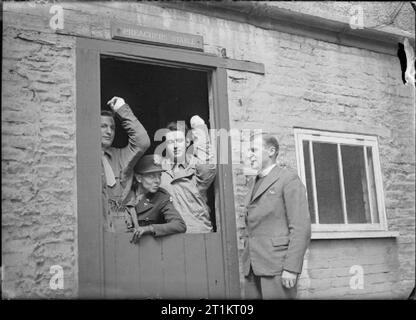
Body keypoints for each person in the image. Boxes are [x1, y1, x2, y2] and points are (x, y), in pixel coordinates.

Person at [242, 133, 311, 299]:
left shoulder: (288, 179)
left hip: (277, 267)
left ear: (271, 151)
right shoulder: (253, 182)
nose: (249, 154)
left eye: (254, 150)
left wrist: (291, 268)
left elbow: (301, 227)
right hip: (252, 266)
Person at [158, 116, 216, 233]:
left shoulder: (197, 166)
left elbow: (208, 164)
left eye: (179, 141)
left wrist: (198, 128)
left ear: (187, 142)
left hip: (197, 232)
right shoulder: (159, 170)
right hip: (170, 235)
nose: (175, 146)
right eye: (170, 142)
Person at [101, 96, 150, 232]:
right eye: (103, 126)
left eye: (112, 127)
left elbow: (142, 142)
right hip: (97, 228)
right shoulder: (85, 157)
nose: (109, 132)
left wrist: (122, 110)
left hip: (122, 228)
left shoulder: (121, 156)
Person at [124, 154, 186, 243]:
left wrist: (149, 228)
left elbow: (180, 225)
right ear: (139, 178)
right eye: (152, 176)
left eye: (159, 175)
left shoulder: (161, 197)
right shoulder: (125, 194)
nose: (157, 180)